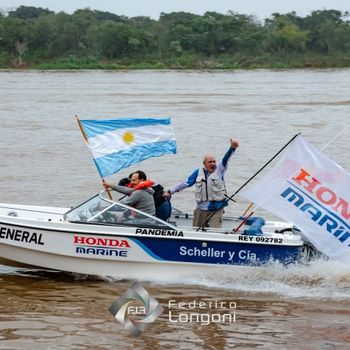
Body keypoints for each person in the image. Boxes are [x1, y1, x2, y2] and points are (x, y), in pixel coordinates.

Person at [164, 138, 239, 228]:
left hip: (217, 209)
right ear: (204, 164)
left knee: (214, 232)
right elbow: (185, 183)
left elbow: (226, 158)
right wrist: (170, 191)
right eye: (210, 162)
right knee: (195, 231)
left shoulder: (220, 170)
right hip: (201, 209)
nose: (212, 164)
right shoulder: (198, 172)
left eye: (214, 161)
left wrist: (232, 148)